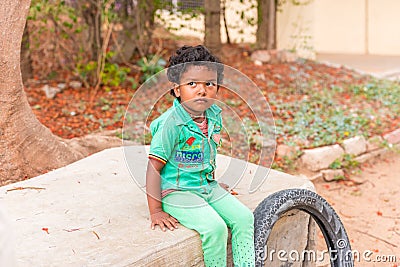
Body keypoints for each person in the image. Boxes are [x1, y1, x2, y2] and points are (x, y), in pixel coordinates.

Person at [145, 45, 255, 267]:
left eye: (209, 84)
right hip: (177, 192)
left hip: (205, 186)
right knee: (215, 228)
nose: (201, 90)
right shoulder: (171, 124)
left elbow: (207, 152)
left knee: (244, 219)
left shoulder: (213, 116)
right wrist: (156, 211)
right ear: (177, 89)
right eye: (192, 84)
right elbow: (153, 168)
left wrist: (210, 180)